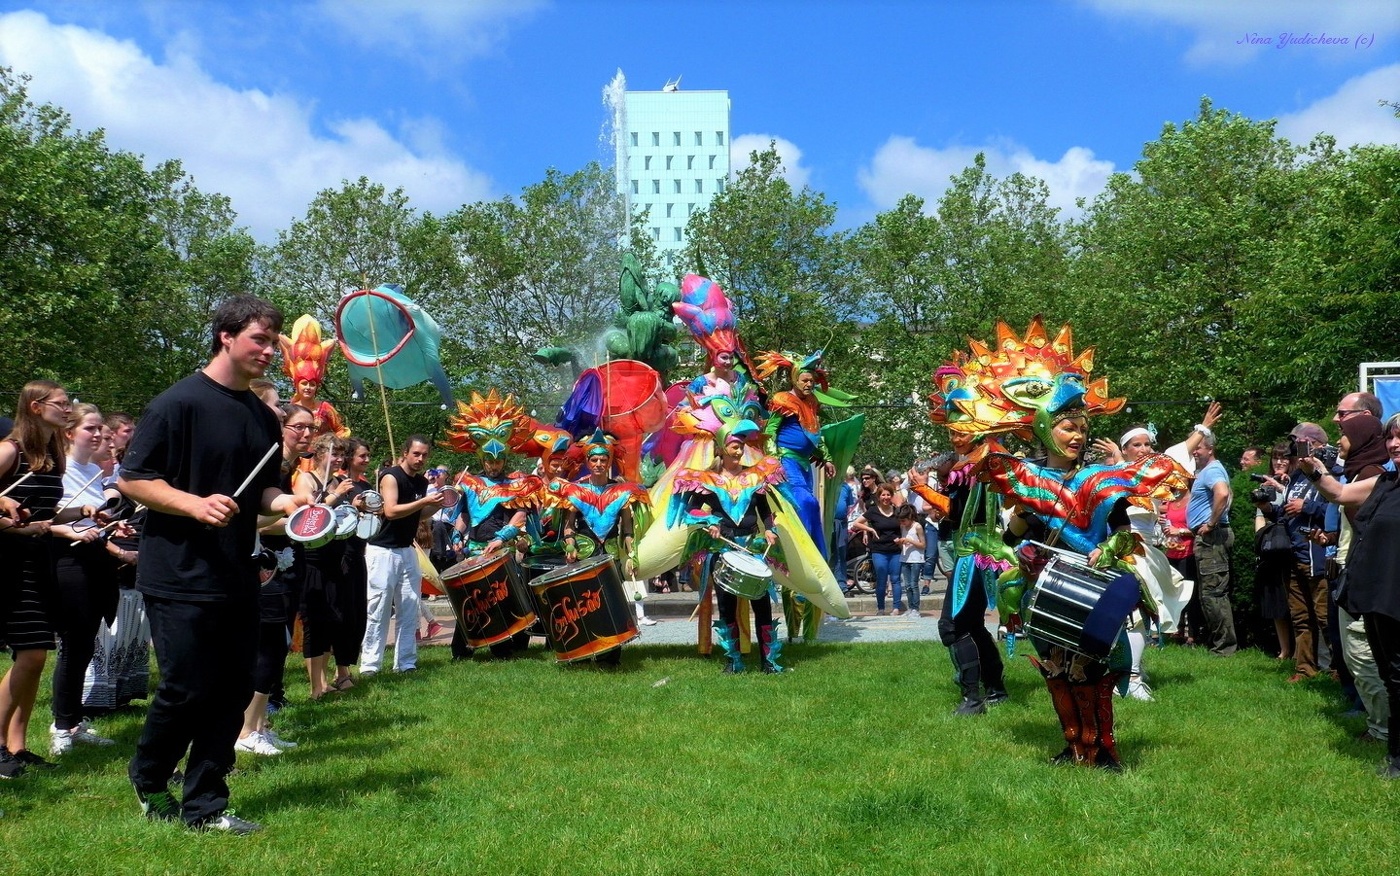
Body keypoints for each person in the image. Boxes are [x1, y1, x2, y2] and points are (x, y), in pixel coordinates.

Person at [119, 295, 304, 833]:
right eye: (260, 339)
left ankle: (206, 804)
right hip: (177, 571)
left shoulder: (261, 417)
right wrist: (193, 503)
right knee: (185, 685)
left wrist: (287, 502)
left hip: (236, 570)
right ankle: (150, 774)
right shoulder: (176, 405)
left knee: (231, 689)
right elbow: (133, 479)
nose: (270, 351)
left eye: (274, 342)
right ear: (226, 336)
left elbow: (264, 489)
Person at [0, 381, 108, 776]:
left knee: (32, 657)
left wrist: (81, 511)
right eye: (61, 404)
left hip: (38, 560)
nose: (68, 409)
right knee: (32, 654)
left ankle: (16, 745)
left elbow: (47, 513)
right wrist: (8, 519)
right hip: (10, 565)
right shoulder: (10, 450)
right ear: (35, 406)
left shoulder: (50, 458)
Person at [1299, 413, 1400, 778]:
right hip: (1378, 591)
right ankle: (1395, 757)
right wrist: (1313, 469)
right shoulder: (1385, 482)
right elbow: (1340, 493)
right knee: (1392, 675)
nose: (1395, 444)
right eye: (1391, 438)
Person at [49, 403, 131, 757]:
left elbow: (93, 518)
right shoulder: (59, 469)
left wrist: (110, 526)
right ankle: (61, 727)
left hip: (96, 559)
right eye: (90, 429)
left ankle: (73, 721)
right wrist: (77, 523)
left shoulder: (95, 471)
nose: (98, 435)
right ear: (69, 433)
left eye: (101, 429)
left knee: (85, 643)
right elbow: (46, 517)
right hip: (69, 560)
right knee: (73, 643)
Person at [675, 421, 784, 673]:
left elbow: (765, 511)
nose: (739, 451)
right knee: (726, 605)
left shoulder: (755, 477)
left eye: (741, 446)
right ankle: (733, 662)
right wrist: (709, 521)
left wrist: (769, 529)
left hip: (751, 546)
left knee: (762, 604)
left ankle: (769, 662)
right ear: (721, 450)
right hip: (723, 549)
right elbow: (690, 510)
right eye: (734, 446)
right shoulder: (707, 479)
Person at [359, 436, 437, 675]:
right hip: (382, 550)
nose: (420, 459)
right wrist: (424, 500)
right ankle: (370, 666)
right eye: (416, 454)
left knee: (410, 607)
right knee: (379, 608)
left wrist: (440, 504)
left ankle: (405, 663)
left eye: (424, 455)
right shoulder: (391, 476)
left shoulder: (421, 482)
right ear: (405, 452)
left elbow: (417, 514)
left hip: (406, 549)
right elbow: (391, 511)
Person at [291, 432, 357, 701]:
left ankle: (325, 680)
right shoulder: (306, 479)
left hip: (335, 556)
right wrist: (335, 494)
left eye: (342, 454)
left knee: (331, 619)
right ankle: (314, 686)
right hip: (311, 559)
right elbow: (308, 514)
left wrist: (355, 505)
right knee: (313, 622)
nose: (339, 459)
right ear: (319, 453)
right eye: (335, 453)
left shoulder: (336, 480)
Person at [1277, 422, 1334, 679]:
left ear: (1316, 444)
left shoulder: (1330, 472)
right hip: (1295, 555)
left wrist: (1307, 507)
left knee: (1325, 619)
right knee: (1301, 618)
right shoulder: (1297, 475)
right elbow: (1287, 513)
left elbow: (1337, 511)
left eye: (1301, 444)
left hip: (1318, 556)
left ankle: (1339, 672)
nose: (1296, 450)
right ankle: (1304, 669)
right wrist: (1271, 508)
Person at [1188, 428, 1238, 657]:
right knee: (1210, 592)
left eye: (1198, 447)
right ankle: (1219, 643)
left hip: (1212, 538)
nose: (1194, 451)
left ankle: (1224, 648)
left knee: (1213, 593)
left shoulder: (1212, 470)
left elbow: (1223, 493)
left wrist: (1210, 523)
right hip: (1210, 537)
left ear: (1210, 448)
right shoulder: (1210, 470)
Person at [851, 484, 903, 615]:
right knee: (881, 578)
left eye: (888, 494)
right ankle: (881, 608)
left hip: (895, 550)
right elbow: (856, 523)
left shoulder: (897, 511)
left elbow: (906, 524)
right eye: (883, 495)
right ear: (879, 497)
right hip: (879, 550)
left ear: (892, 496)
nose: (886, 497)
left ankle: (896, 607)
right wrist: (870, 529)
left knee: (896, 579)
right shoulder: (873, 511)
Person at [895, 505, 925, 618]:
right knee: (907, 585)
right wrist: (900, 543)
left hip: (916, 559)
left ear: (910, 517)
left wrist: (909, 541)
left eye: (904, 520)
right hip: (905, 558)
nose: (902, 523)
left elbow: (923, 545)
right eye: (900, 521)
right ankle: (910, 607)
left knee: (914, 585)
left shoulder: (917, 527)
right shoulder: (903, 527)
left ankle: (916, 609)